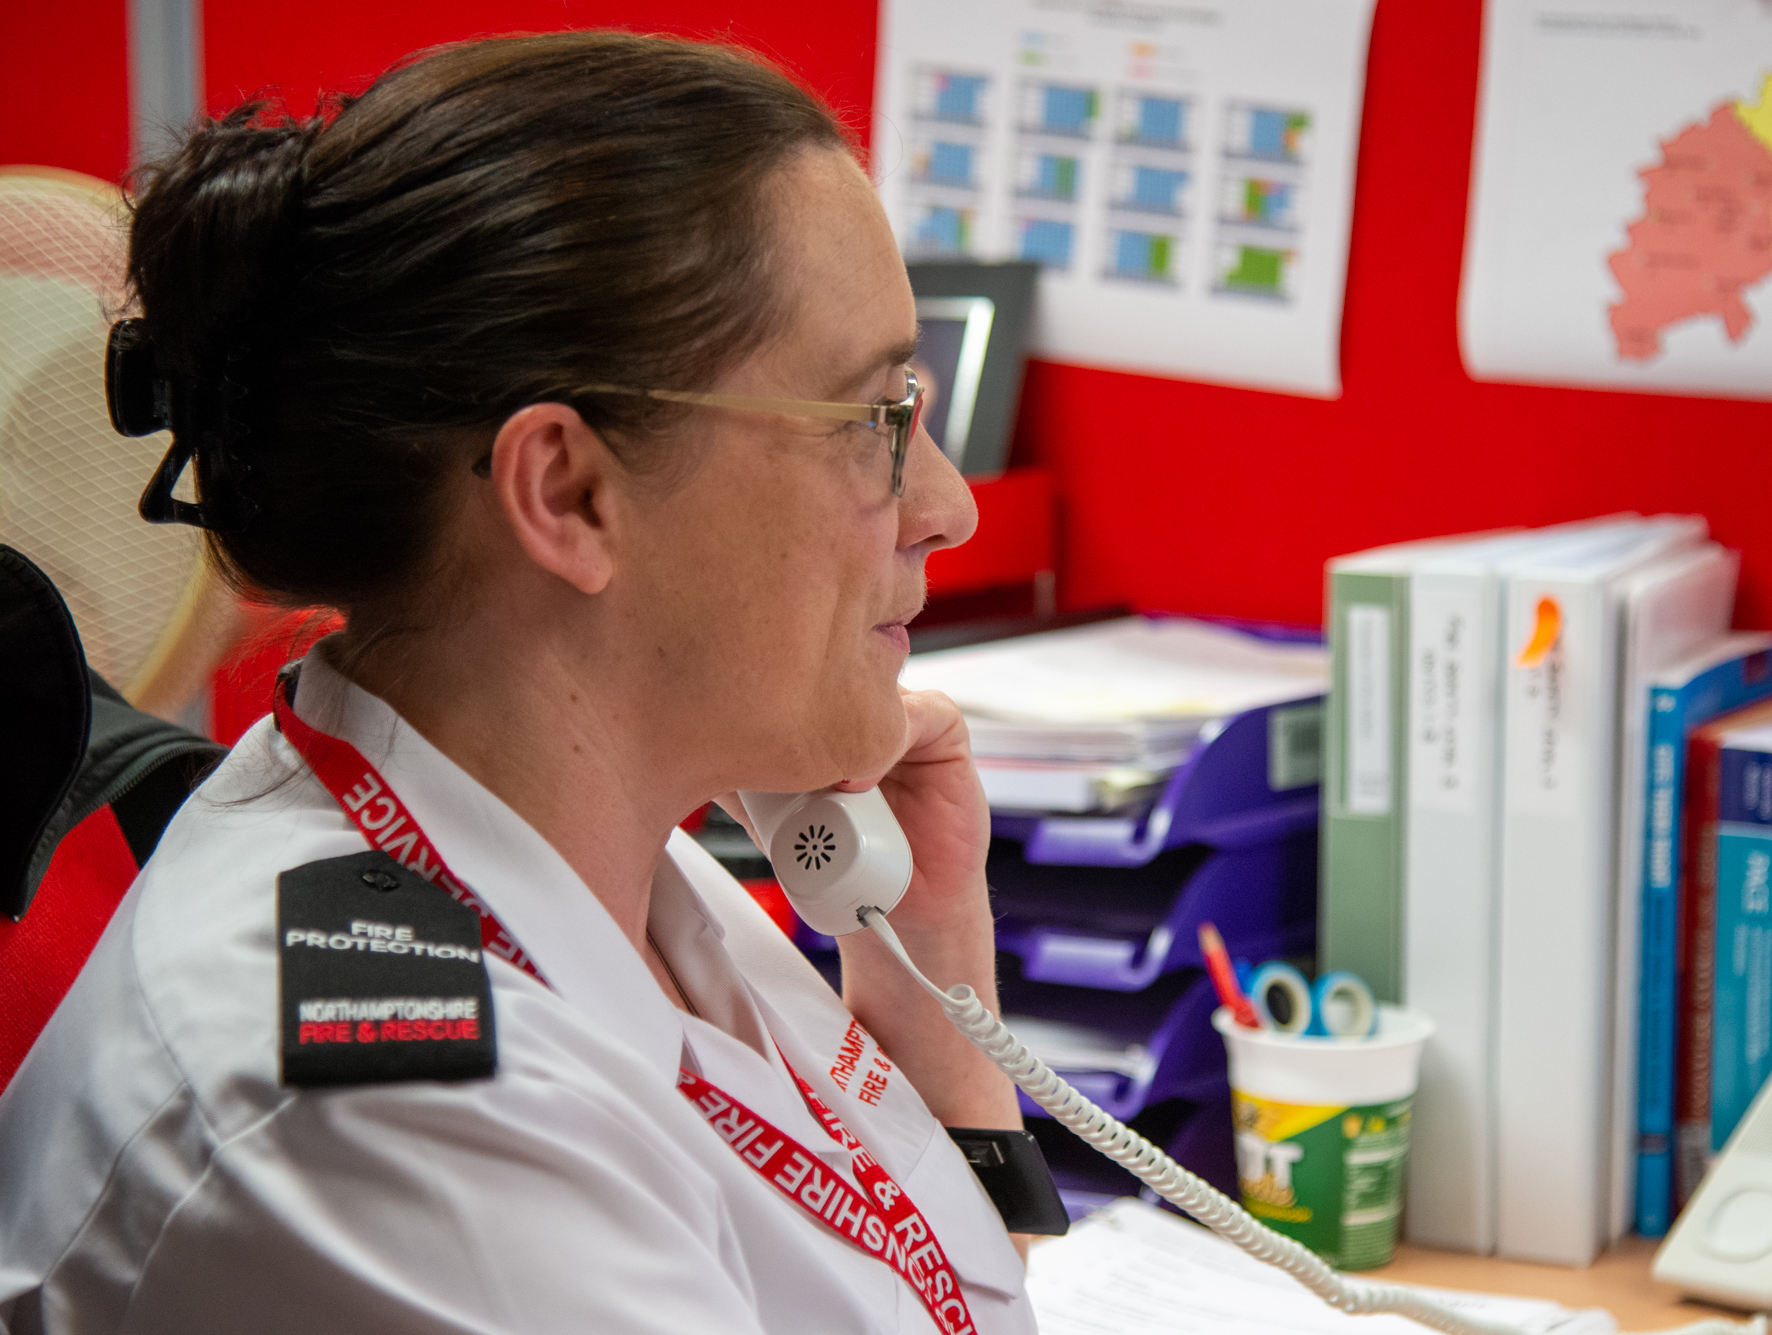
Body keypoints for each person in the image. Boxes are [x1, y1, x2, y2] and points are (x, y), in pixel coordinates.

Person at [0, 32, 1037, 1335]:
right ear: (569, 491)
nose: (945, 507)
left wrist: (928, 968)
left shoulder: (606, 857)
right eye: (874, 419)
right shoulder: (393, 1118)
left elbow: (949, 1291)